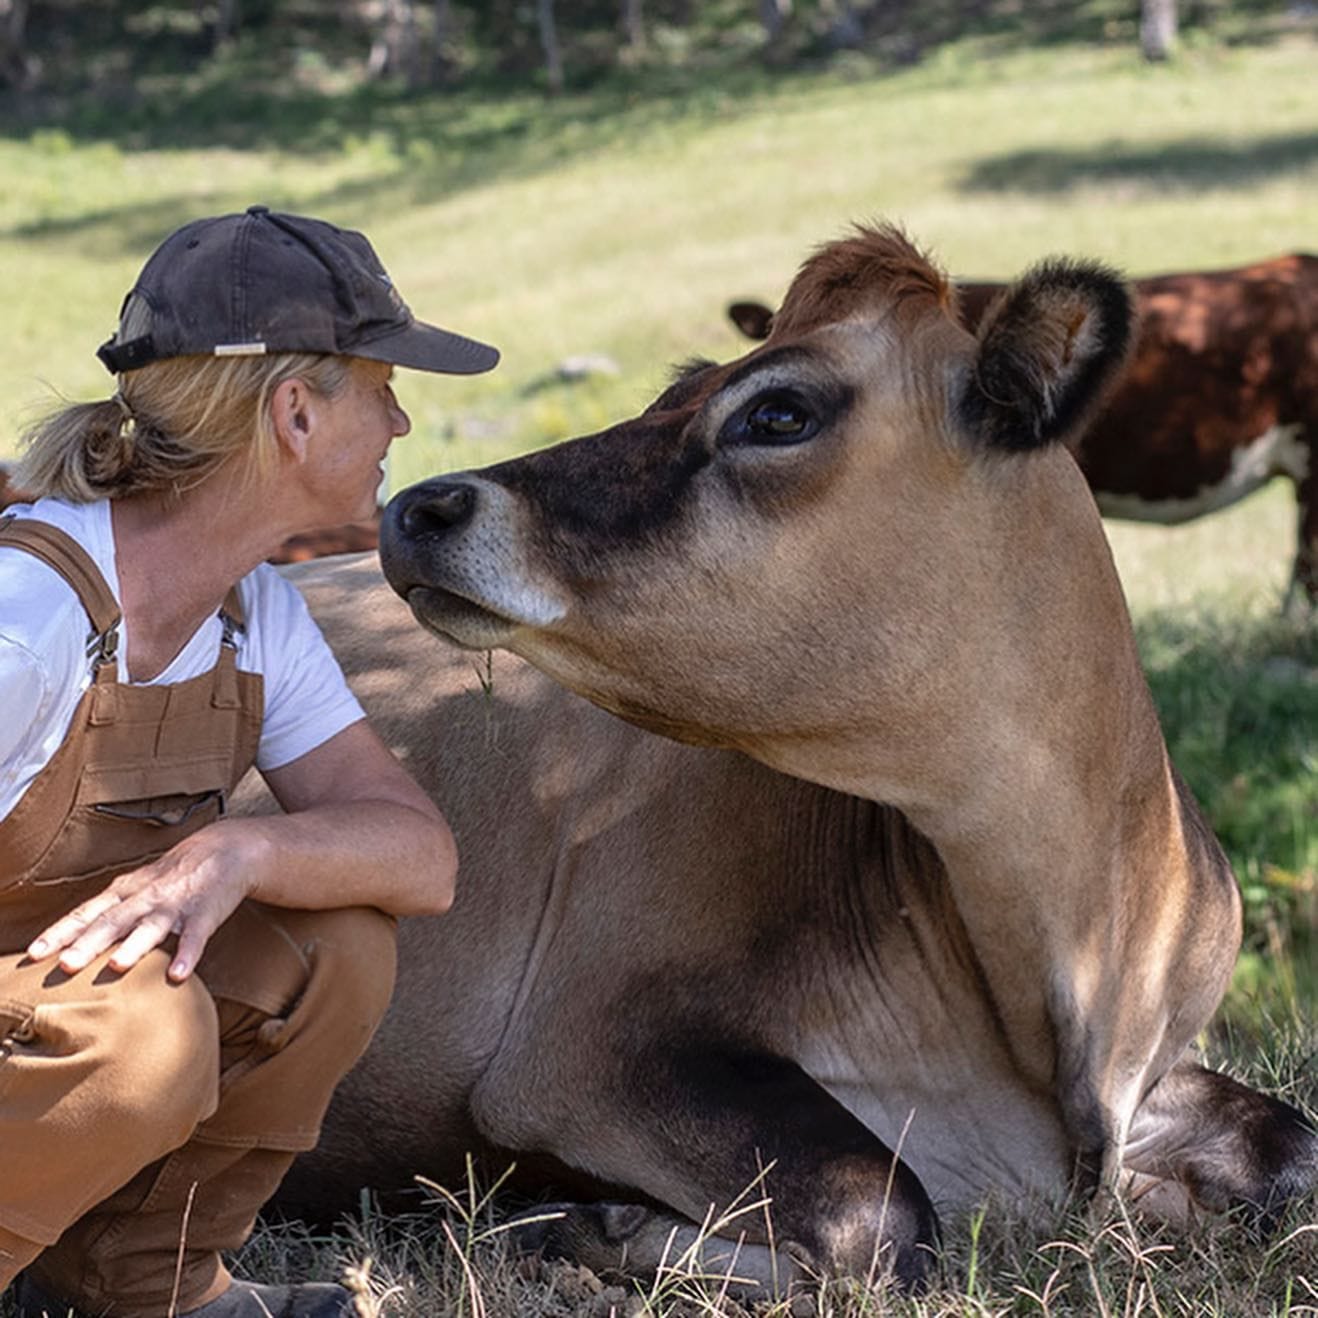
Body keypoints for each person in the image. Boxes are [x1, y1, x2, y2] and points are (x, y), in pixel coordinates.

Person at [0, 206, 500, 1318]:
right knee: (145, 1037)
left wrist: (241, 847)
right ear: (295, 412)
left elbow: (421, 860)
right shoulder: (24, 619)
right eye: (380, 387)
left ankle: (136, 1284)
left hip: (31, 1017)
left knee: (335, 947)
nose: (402, 420)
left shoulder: (251, 612)